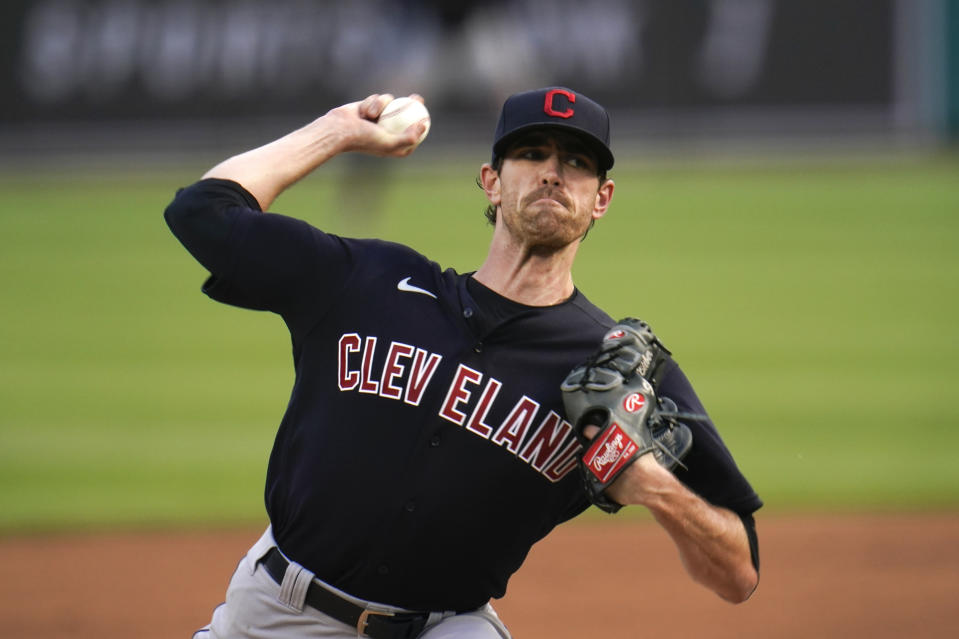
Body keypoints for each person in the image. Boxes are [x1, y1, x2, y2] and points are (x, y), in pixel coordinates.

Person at [164, 87, 762, 639]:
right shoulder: (367, 282)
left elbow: (739, 573)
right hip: (278, 614)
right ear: (491, 182)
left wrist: (653, 485)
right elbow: (201, 212)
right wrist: (338, 131)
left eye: (577, 162)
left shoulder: (618, 368)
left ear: (601, 198)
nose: (553, 172)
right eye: (531, 153)